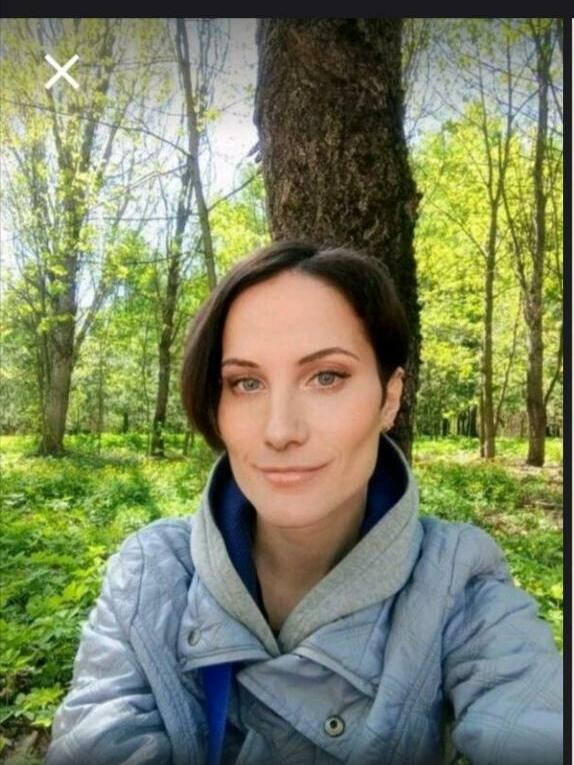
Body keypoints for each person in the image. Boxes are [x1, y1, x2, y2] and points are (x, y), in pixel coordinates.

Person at [47, 241, 562, 765]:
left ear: (389, 398)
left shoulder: (458, 586)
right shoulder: (150, 578)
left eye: (326, 377)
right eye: (247, 383)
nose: (280, 431)